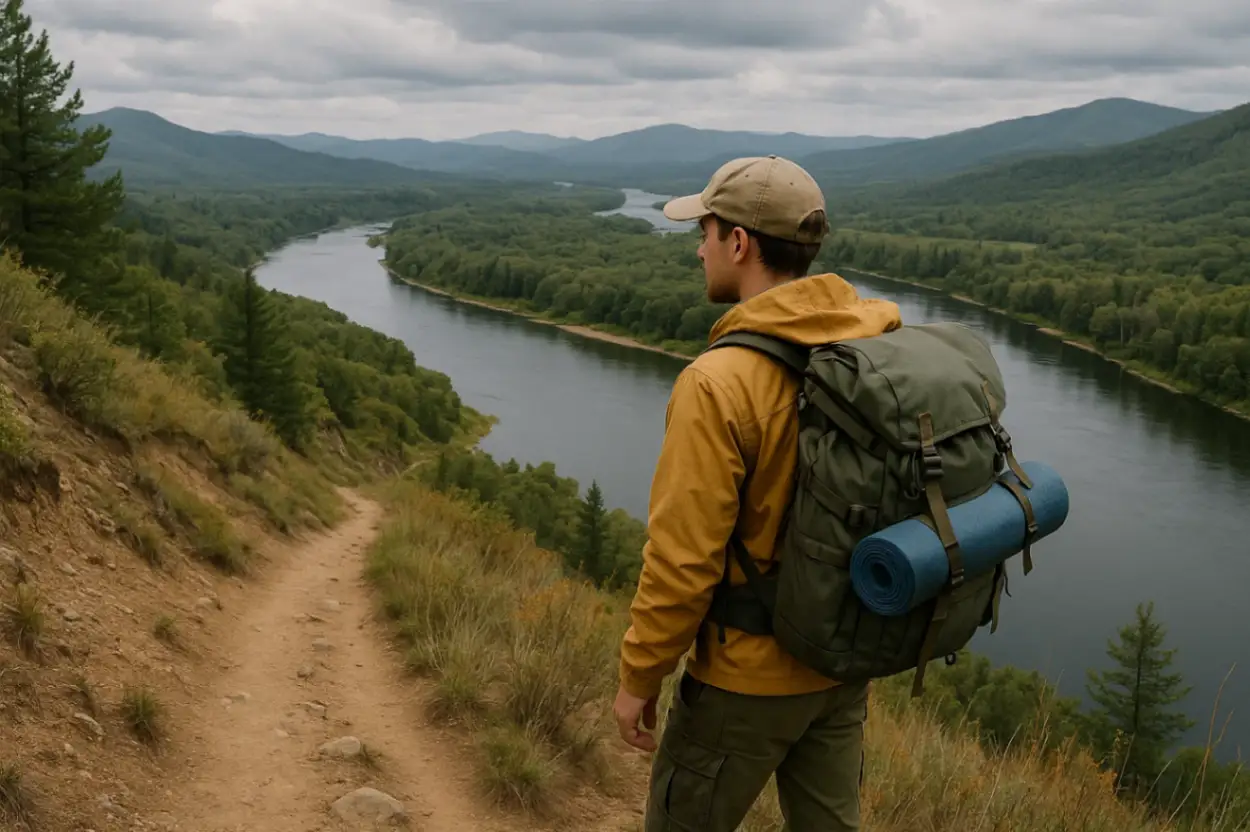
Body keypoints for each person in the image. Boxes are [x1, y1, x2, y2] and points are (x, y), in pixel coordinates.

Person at [613, 155, 903, 831]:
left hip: (743, 681)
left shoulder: (718, 382)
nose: (699, 247)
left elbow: (683, 563)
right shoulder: (871, 348)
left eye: (707, 231)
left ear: (739, 242)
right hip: (840, 666)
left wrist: (639, 676)